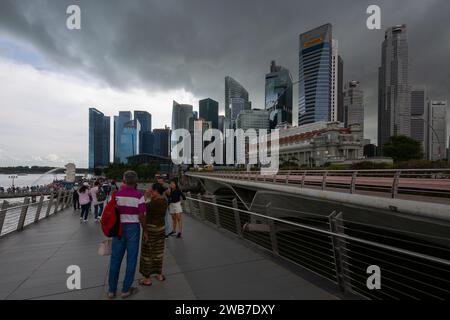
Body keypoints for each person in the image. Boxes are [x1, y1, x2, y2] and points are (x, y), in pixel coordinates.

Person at [108, 171, 147, 299]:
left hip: (118, 229)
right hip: (133, 228)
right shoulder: (139, 196)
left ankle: (111, 290)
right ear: (136, 181)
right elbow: (142, 216)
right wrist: (145, 230)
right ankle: (125, 290)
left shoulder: (116, 195)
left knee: (115, 260)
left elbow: (111, 213)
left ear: (123, 180)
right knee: (131, 259)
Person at [138, 183, 168, 286]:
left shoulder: (152, 203)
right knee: (158, 252)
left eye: (152, 190)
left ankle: (147, 279)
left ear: (155, 191)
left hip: (150, 230)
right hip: (161, 229)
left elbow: (142, 209)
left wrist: (145, 197)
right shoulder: (164, 200)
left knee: (147, 253)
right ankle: (159, 274)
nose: (150, 191)